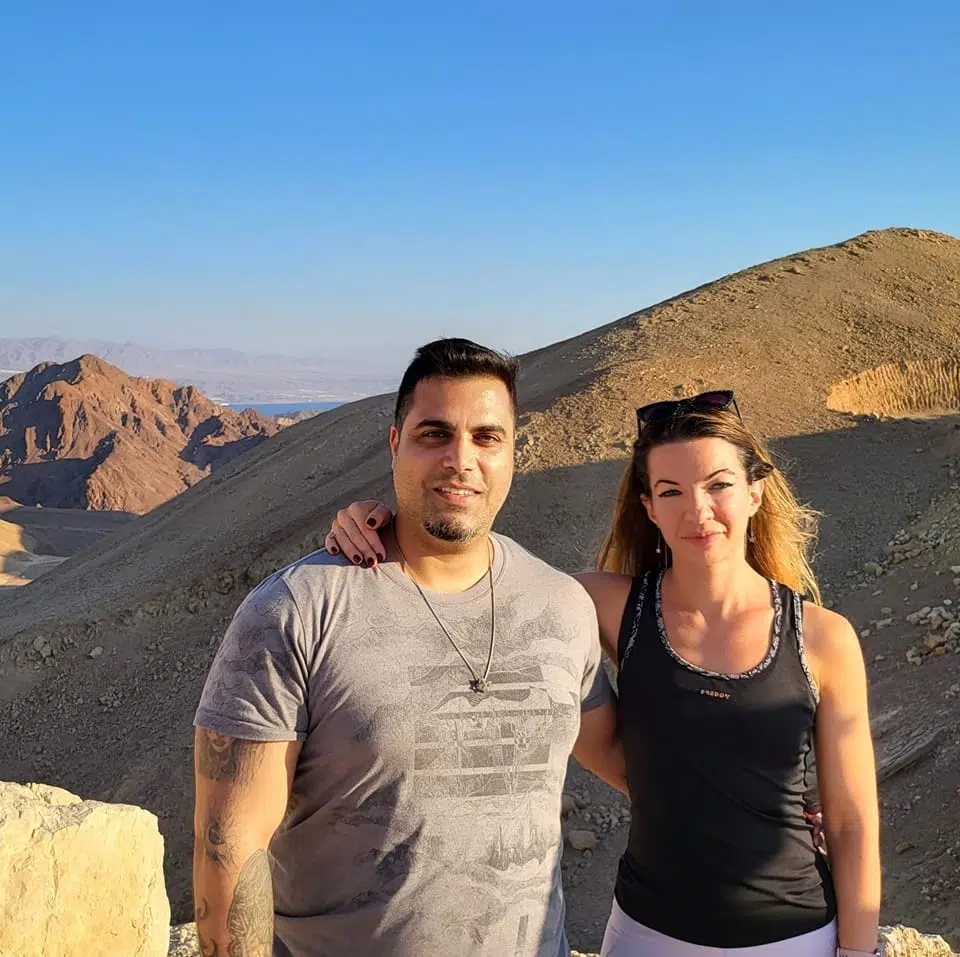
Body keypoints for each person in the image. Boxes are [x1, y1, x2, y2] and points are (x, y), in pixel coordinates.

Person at [326, 389, 882, 956]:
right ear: (649, 507)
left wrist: (859, 951)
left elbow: (851, 821)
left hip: (795, 937)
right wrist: (382, 524)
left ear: (754, 492)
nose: (698, 511)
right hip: (647, 936)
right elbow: (475, 575)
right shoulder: (606, 605)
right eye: (672, 491)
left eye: (718, 485)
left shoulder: (822, 638)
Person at [192, 337, 626, 957]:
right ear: (395, 443)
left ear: (512, 452)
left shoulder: (563, 606)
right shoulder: (297, 609)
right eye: (434, 434)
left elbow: (630, 762)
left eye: (486, 437)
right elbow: (230, 846)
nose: (460, 459)